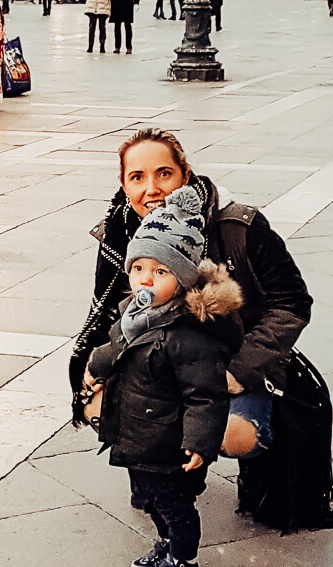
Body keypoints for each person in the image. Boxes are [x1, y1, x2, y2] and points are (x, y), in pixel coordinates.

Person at [70, 128, 321, 532]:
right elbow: (108, 319)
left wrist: (238, 373)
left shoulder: (237, 228)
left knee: (234, 434)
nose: (151, 189)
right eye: (137, 177)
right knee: (97, 405)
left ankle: (194, 465)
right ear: (123, 184)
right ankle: (156, 471)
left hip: (230, 367)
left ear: (185, 176)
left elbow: (292, 303)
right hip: (156, 368)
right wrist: (99, 369)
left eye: (163, 173)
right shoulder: (120, 234)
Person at [85, 186, 243, 567]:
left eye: (160, 271)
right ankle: (166, 544)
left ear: (184, 278)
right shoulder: (134, 316)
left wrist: (200, 443)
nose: (146, 280)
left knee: (175, 506)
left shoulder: (188, 334)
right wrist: (96, 366)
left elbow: (205, 395)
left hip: (168, 443)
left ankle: (183, 557)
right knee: (148, 500)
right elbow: (118, 347)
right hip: (138, 436)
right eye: (138, 268)